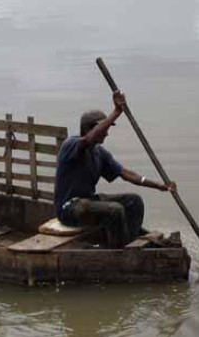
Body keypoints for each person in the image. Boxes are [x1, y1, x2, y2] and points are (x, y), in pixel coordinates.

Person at [54, 91, 175, 248]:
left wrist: (160, 186)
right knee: (115, 210)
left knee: (134, 201)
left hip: (88, 202)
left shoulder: (99, 153)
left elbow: (125, 174)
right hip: (69, 209)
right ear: (90, 129)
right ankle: (117, 252)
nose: (107, 133)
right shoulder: (71, 144)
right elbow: (88, 139)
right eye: (104, 129)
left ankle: (128, 244)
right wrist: (117, 112)